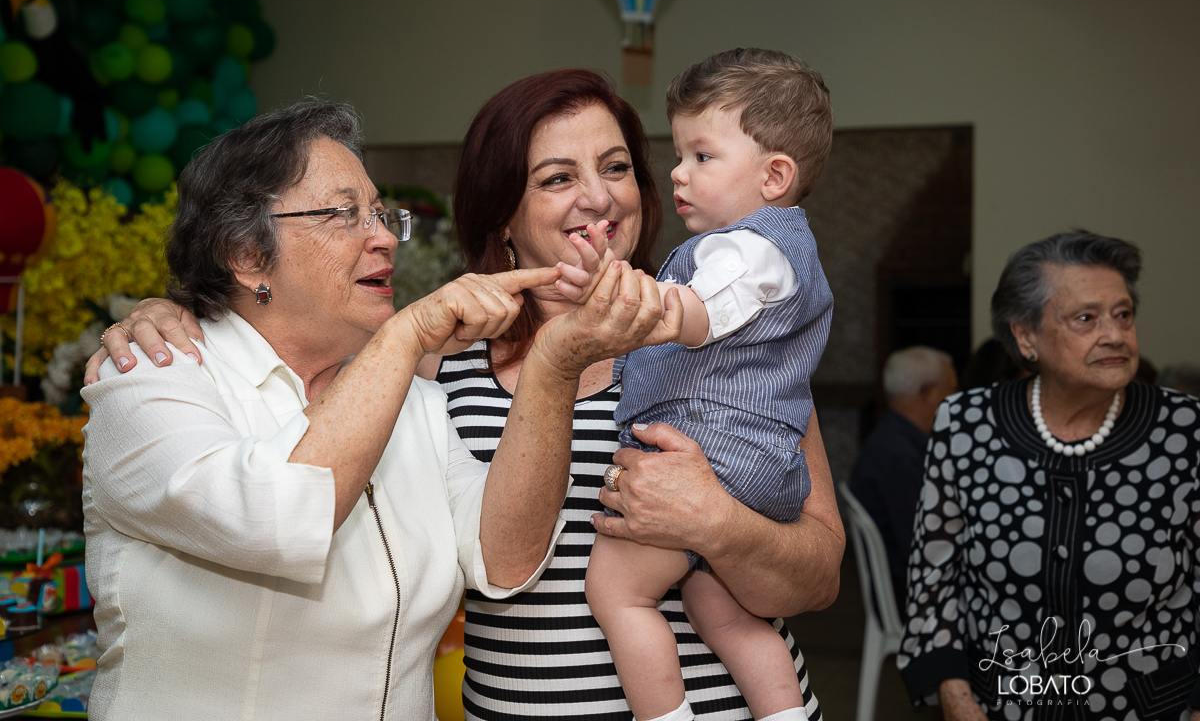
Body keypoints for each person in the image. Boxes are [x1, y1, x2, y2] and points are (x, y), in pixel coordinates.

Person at [90, 69, 846, 721]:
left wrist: (716, 521)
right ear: (503, 219)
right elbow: (292, 440)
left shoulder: (740, 351)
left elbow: (817, 578)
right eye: (556, 178)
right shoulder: (427, 374)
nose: (598, 197)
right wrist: (178, 306)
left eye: (616, 168)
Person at [553, 49, 833, 721]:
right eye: (677, 155)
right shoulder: (775, 246)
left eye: (702, 156)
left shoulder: (743, 250)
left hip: (715, 451)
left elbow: (696, 317)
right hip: (761, 467)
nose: (677, 172)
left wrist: (618, 297)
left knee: (617, 592)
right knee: (723, 609)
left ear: (774, 175)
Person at [896, 230, 1200, 721]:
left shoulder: (1186, 431)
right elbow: (934, 577)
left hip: (1146, 709)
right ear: (1025, 336)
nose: (1115, 334)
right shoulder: (967, 424)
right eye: (1086, 318)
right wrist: (954, 696)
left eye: (1123, 315)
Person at [848, 345, 957, 607]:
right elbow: (923, 545)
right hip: (913, 595)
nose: (956, 402)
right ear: (929, 393)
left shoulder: (893, 440)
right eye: (952, 392)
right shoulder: (898, 455)